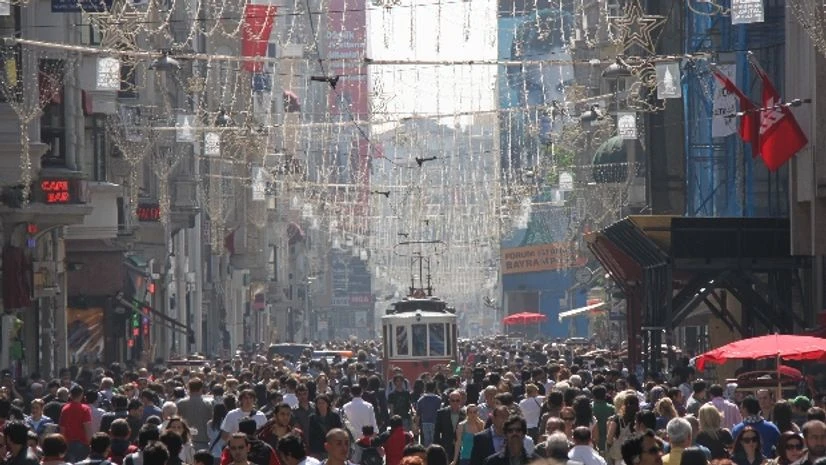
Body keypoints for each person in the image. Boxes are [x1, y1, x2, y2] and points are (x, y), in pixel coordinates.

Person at [177, 378, 213, 451]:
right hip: (203, 440)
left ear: (189, 388)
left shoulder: (181, 403)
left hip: (186, 440)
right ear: (201, 388)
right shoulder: (208, 404)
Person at [60, 385, 93, 462]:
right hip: (82, 444)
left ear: (70, 395)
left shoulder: (65, 409)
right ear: (81, 395)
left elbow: (62, 429)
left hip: (68, 444)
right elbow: (87, 428)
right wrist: (91, 443)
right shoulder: (85, 409)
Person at [307, 395, 343, 459]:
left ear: (327, 404)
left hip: (332, 447)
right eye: (319, 403)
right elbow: (311, 435)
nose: (321, 405)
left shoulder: (335, 417)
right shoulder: (312, 418)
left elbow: (339, 432)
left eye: (323, 403)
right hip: (318, 450)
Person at [435, 391, 466, 460]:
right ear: (449, 401)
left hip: (460, 448)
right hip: (445, 447)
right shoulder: (441, 413)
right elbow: (436, 433)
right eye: (453, 400)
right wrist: (437, 448)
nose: (455, 403)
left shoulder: (464, 414)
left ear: (460, 401)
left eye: (457, 400)